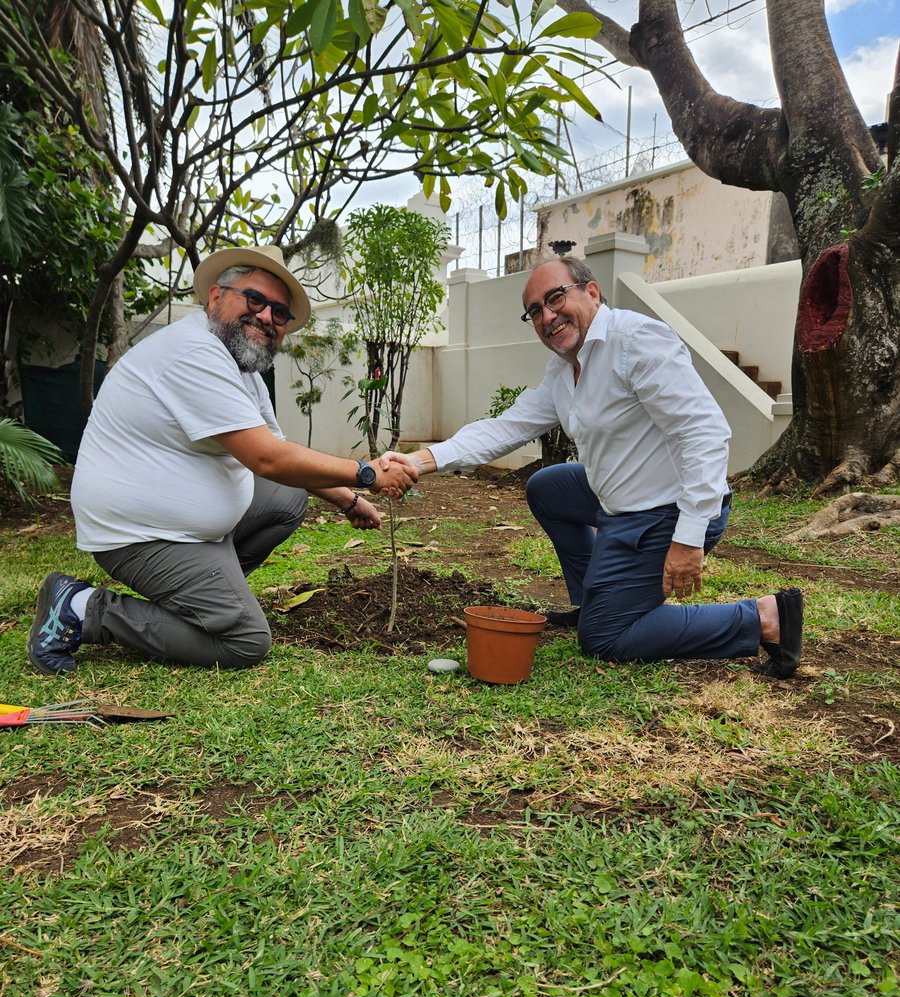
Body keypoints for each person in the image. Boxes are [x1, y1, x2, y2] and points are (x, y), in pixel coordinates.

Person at [385, 256, 803, 677]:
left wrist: (689, 537)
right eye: (534, 311)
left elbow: (703, 433)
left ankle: (765, 618)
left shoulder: (637, 341)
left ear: (591, 291)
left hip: (667, 511)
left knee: (605, 637)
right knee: (548, 487)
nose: (547, 316)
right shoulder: (564, 370)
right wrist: (420, 460)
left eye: (554, 298)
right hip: (619, 498)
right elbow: (507, 427)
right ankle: (593, 599)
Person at [27, 245, 417, 675]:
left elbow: (282, 455)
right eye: (255, 299)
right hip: (140, 534)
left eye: (280, 313)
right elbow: (267, 459)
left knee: (287, 499)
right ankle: (82, 608)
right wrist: (367, 474)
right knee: (245, 642)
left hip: (179, 523)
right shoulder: (194, 352)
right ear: (216, 297)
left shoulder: (243, 371)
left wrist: (348, 500)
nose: (267, 316)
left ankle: (199, 600)